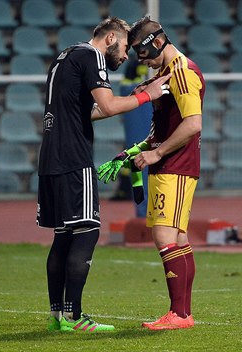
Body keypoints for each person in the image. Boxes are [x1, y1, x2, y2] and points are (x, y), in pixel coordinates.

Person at [37, 16, 171, 332]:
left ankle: (57, 317)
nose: (126, 57)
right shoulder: (91, 55)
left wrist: (133, 96)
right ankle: (75, 317)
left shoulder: (67, 55)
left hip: (51, 156)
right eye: (125, 47)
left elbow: (89, 112)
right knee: (88, 230)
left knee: (64, 235)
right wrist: (146, 96)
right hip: (73, 157)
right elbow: (109, 106)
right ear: (110, 38)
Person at [98, 16, 205, 330]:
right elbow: (166, 128)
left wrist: (157, 152)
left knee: (163, 237)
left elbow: (193, 124)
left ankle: (180, 315)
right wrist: (136, 150)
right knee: (178, 238)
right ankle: (182, 314)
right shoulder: (168, 73)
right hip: (169, 163)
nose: (145, 63)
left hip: (176, 165)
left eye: (145, 55)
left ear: (157, 42)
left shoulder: (183, 73)